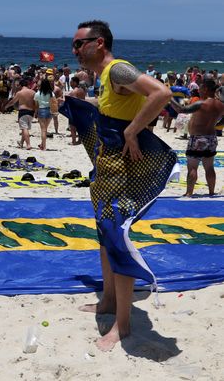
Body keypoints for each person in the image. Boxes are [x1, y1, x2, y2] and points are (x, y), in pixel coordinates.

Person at [67, 20, 174, 352]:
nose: (74, 50)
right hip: (104, 165)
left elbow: (161, 93)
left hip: (121, 169)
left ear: (98, 43)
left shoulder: (117, 70)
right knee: (104, 235)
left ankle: (123, 325)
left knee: (116, 237)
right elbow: (116, 110)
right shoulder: (104, 77)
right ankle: (108, 302)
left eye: (79, 44)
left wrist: (132, 132)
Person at [170, 78, 224, 195]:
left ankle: (189, 193)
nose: (198, 90)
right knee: (209, 167)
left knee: (192, 167)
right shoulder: (220, 105)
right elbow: (222, 121)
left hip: (197, 138)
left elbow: (181, 109)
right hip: (211, 138)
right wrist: (216, 124)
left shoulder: (201, 103)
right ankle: (211, 192)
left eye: (200, 88)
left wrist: (169, 98)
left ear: (205, 89)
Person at [4, 78, 36, 150]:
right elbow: (35, 103)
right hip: (31, 112)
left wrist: (6, 106)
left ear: (21, 85)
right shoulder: (33, 92)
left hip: (23, 111)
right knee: (25, 128)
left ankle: (28, 144)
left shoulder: (20, 93)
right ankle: (21, 143)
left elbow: (13, 102)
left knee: (24, 128)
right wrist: (36, 112)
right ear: (28, 85)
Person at [34, 78, 53, 150]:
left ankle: (44, 147)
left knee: (43, 130)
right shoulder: (51, 93)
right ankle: (42, 144)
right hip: (49, 111)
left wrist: (35, 113)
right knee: (45, 129)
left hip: (41, 111)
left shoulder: (37, 94)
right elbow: (53, 102)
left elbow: (36, 105)